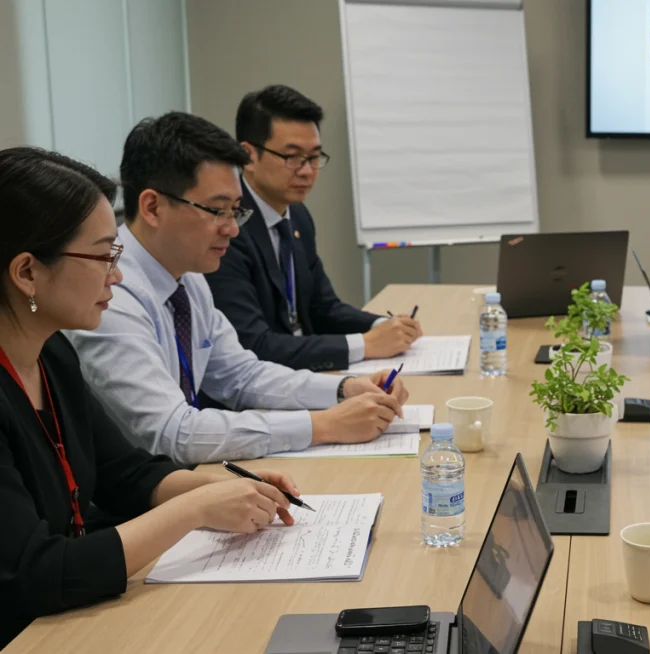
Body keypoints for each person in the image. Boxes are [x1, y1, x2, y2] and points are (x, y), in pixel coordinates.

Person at [0, 147, 302, 646]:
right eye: (103, 256)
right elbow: (37, 572)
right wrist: (197, 508)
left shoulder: (51, 354)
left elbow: (126, 474)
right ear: (27, 272)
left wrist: (225, 490)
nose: (116, 275)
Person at [65, 112, 409, 466]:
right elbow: (173, 433)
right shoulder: (110, 295)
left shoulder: (187, 276)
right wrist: (323, 425)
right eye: (217, 211)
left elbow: (241, 375)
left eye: (235, 211)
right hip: (141, 489)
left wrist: (343, 389)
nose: (232, 229)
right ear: (153, 207)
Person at [206, 85, 421, 372]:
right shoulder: (227, 228)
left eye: (314, 157)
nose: (307, 171)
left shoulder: (297, 216)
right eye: (292, 157)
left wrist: (383, 326)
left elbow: (323, 308)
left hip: (304, 373)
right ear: (249, 156)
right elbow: (253, 344)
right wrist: (365, 344)